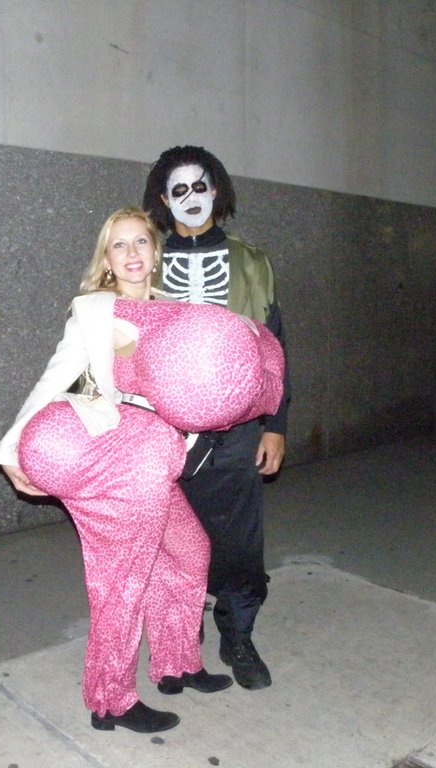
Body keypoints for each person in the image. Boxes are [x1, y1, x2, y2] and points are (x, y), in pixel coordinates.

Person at [0, 207, 284, 733]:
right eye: (118, 245)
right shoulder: (94, 312)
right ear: (106, 258)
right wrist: (11, 452)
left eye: (140, 243)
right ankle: (111, 701)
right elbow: (52, 380)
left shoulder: (175, 312)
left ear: (155, 252)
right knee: (121, 580)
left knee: (190, 550)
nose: (130, 254)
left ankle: (176, 665)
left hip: (158, 458)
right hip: (115, 456)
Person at [143, 146, 290, 690]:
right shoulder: (145, 258)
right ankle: (180, 642)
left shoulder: (251, 262)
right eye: (177, 190)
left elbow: (275, 348)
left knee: (237, 542)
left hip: (234, 430)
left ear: (217, 191)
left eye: (199, 187)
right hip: (159, 431)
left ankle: (238, 635)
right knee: (167, 540)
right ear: (163, 199)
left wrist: (275, 422)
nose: (190, 199)